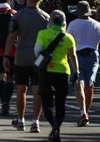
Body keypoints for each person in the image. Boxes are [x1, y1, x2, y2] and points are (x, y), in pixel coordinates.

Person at [4, 0, 50, 133]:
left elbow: (11, 37)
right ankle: (35, 121)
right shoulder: (46, 17)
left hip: (21, 56)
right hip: (39, 58)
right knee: (37, 89)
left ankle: (21, 120)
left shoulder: (18, 16)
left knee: (21, 89)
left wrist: (6, 56)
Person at [67, 0, 100, 126]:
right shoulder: (96, 24)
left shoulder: (73, 24)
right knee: (88, 85)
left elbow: (67, 43)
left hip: (77, 56)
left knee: (80, 84)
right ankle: (84, 112)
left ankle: (84, 112)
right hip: (92, 56)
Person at [35, 10, 79, 142]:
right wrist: (76, 72)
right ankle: (57, 128)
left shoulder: (43, 34)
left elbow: (37, 52)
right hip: (63, 72)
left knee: (47, 101)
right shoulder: (68, 37)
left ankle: (54, 127)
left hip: (47, 71)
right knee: (60, 103)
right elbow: (73, 56)